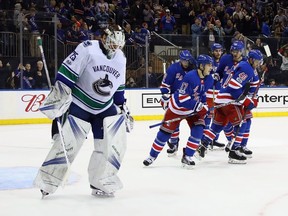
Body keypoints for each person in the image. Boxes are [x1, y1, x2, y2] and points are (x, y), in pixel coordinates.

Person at [34, 25, 134, 198]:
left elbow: (119, 88)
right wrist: (60, 95)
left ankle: (100, 181)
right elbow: (66, 74)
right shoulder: (87, 49)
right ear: (103, 38)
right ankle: (48, 181)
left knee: (111, 145)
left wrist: (122, 106)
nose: (115, 47)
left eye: (118, 44)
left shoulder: (121, 58)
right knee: (67, 144)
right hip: (80, 104)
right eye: (112, 43)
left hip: (104, 107)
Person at [143, 54, 214, 168]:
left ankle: (187, 156)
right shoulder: (190, 77)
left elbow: (202, 94)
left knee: (198, 131)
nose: (211, 68)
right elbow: (182, 98)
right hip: (177, 109)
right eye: (209, 65)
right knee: (164, 134)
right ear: (201, 66)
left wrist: (204, 105)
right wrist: (198, 106)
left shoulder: (209, 78)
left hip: (192, 111)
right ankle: (152, 156)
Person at [200, 49, 263, 164]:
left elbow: (247, 84)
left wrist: (252, 97)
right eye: (257, 61)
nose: (259, 63)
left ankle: (202, 146)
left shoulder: (245, 66)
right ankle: (234, 151)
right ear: (252, 59)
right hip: (229, 100)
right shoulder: (247, 68)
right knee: (242, 123)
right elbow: (234, 88)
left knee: (217, 127)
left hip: (220, 99)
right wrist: (247, 102)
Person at [159, 50, 195, 156]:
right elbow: (165, 85)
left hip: (191, 100)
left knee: (196, 123)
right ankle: (174, 144)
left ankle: (197, 142)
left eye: (187, 61)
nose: (186, 63)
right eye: (184, 60)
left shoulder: (194, 68)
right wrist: (165, 97)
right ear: (180, 60)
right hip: (175, 99)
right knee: (173, 122)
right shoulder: (173, 69)